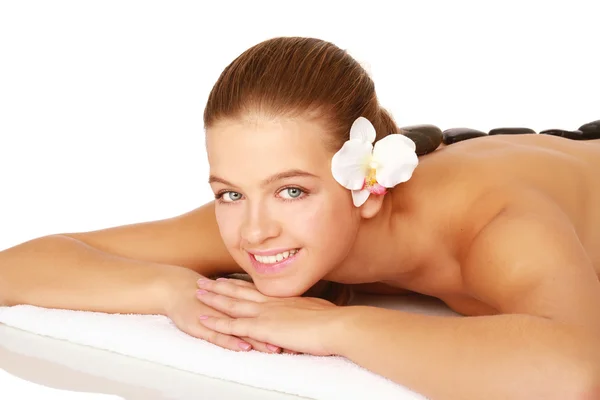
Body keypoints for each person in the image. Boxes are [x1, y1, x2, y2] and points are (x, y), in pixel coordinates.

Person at [1, 36, 599, 400]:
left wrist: (333, 328)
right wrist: (172, 290)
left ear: (365, 186)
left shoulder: (502, 228)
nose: (253, 232)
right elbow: (15, 268)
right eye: (230, 192)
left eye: (290, 191)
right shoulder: (263, 219)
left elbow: (578, 375)